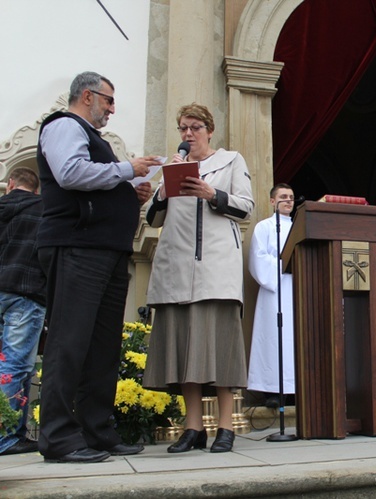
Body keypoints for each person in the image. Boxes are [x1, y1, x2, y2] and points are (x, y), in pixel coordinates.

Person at [36, 71, 159, 463]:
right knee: (69, 343)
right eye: (108, 100)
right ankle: (57, 437)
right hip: (77, 248)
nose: (112, 108)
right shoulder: (64, 126)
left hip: (105, 251)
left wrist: (129, 195)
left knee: (102, 348)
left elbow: (94, 185)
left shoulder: (92, 136)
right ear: (87, 96)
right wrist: (128, 170)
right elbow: (70, 173)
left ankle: (96, 431)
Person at [143, 103, 254, 453]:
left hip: (215, 268)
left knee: (218, 346)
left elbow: (246, 207)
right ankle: (193, 428)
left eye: (194, 127)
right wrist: (163, 188)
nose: (188, 134)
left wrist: (212, 195)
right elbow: (153, 220)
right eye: (182, 128)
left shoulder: (231, 161)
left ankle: (225, 426)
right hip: (176, 268)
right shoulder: (173, 167)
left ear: (209, 130)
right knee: (184, 346)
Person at [0, 168, 46, 456]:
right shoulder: (42, 209)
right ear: (36, 189)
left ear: (11, 184)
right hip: (25, 292)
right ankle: (6, 437)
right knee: (16, 366)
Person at [247, 183, 296, 409]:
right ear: (272, 201)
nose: (288, 201)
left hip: (296, 288)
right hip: (275, 289)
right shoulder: (264, 227)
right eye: (283, 197)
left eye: (291, 197)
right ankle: (273, 390)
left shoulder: (300, 227)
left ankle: (296, 388)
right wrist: (281, 265)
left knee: (294, 339)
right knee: (273, 338)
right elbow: (258, 258)